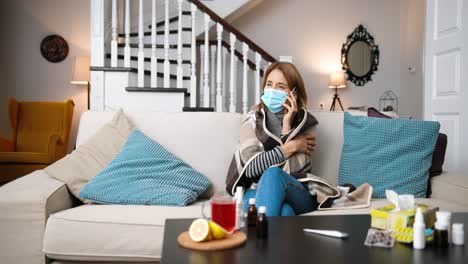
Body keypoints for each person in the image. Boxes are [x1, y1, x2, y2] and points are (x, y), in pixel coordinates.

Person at [225, 62, 319, 217]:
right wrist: (292, 146)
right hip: (255, 187)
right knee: (285, 211)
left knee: (273, 174)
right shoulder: (251, 121)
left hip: (298, 191)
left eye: (281, 87)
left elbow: (292, 172)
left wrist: (287, 127)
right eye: (269, 84)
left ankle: (257, 241)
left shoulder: (305, 123)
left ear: (293, 93)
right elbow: (250, 168)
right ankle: (271, 240)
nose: (272, 90)